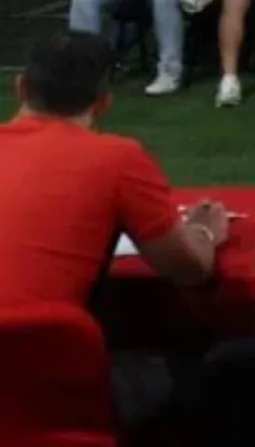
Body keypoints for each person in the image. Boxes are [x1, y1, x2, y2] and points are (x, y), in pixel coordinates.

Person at [0, 30, 232, 428]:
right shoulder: (115, 159)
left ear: (20, 86)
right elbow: (190, 270)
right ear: (104, 102)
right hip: (48, 386)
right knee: (200, 375)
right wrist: (206, 232)